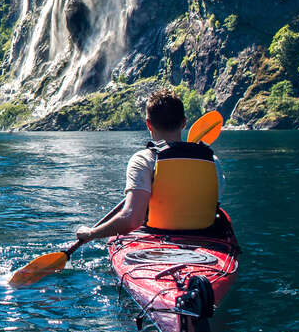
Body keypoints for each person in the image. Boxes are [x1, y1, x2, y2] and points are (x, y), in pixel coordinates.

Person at [73, 88, 227, 243]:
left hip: (158, 238)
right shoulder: (212, 160)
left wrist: (91, 233)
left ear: (148, 124)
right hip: (207, 239)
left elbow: (132, 220)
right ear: (184, 122)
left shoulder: (144, 160)